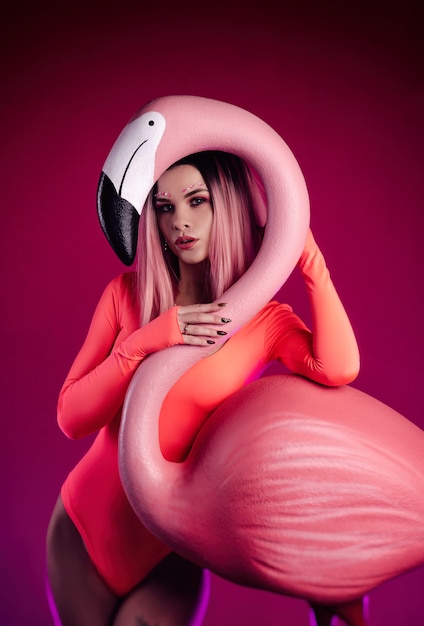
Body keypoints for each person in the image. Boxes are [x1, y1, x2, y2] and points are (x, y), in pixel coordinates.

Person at [46, 149, 364, 626]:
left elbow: (338, 368)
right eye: (166, 206)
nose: (181, 221)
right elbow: (71, 419)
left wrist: (308, 257)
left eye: (198, 201)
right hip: (82, 529)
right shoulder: (126, 295)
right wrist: (141, 345)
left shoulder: (263, 321)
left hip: (171, 547)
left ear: (229, 207)